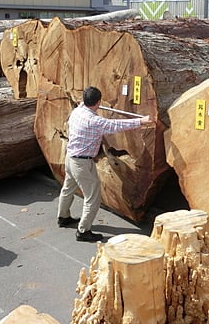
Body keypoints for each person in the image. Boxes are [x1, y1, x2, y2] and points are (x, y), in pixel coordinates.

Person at [57, 86, 153, 242]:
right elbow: (116, 125)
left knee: (68, 187)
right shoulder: (94, 121)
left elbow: (85, 107)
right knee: (92, 197)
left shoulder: (77, 111)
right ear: (98, 101)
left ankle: (63, 217)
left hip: (70, 158)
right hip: (82, 163)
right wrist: (141, 121)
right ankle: (83, 231)